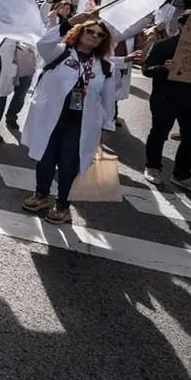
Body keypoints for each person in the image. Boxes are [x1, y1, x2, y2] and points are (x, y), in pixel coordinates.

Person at [21, 11, 116, 223]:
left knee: (68, 163)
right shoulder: (60, 53)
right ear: (80, 31)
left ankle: (63, 205)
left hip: (81, 124)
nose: (93, 36)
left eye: (100, 34)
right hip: (51, 118)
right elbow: (43, 43)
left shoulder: (107, 67)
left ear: (104, 40)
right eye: (89, 31)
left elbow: (109, 100)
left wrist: (108, 125)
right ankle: (41, 195)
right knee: (45, 159)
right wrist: (71, 21)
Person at [142, 9, 191, 197]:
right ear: (182, 26)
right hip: (166, 98)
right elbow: (146, 69)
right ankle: (152, 167)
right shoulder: (164, 45)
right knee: (159, 134)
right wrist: (163, 68)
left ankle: (182, 175)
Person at [5, 42, 37, 130]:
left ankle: (11, 117)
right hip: (8, 64)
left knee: (20, 96)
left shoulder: (37, 33)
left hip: (27, 68)